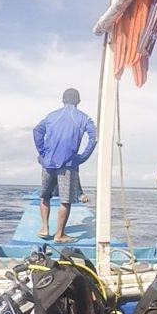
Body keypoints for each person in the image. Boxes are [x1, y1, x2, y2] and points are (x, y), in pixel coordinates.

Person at [33, 88, 97, 243]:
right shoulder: (83, 118)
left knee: (45, 196)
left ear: (62, 100)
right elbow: (94, 136)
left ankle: (44, 228)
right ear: (78, 101)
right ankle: (59, 234)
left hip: (48, 163)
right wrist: (82, 157)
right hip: (68, 164)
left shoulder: (52, 116)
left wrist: (43, 153)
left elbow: (37, 131)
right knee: (65, 200)